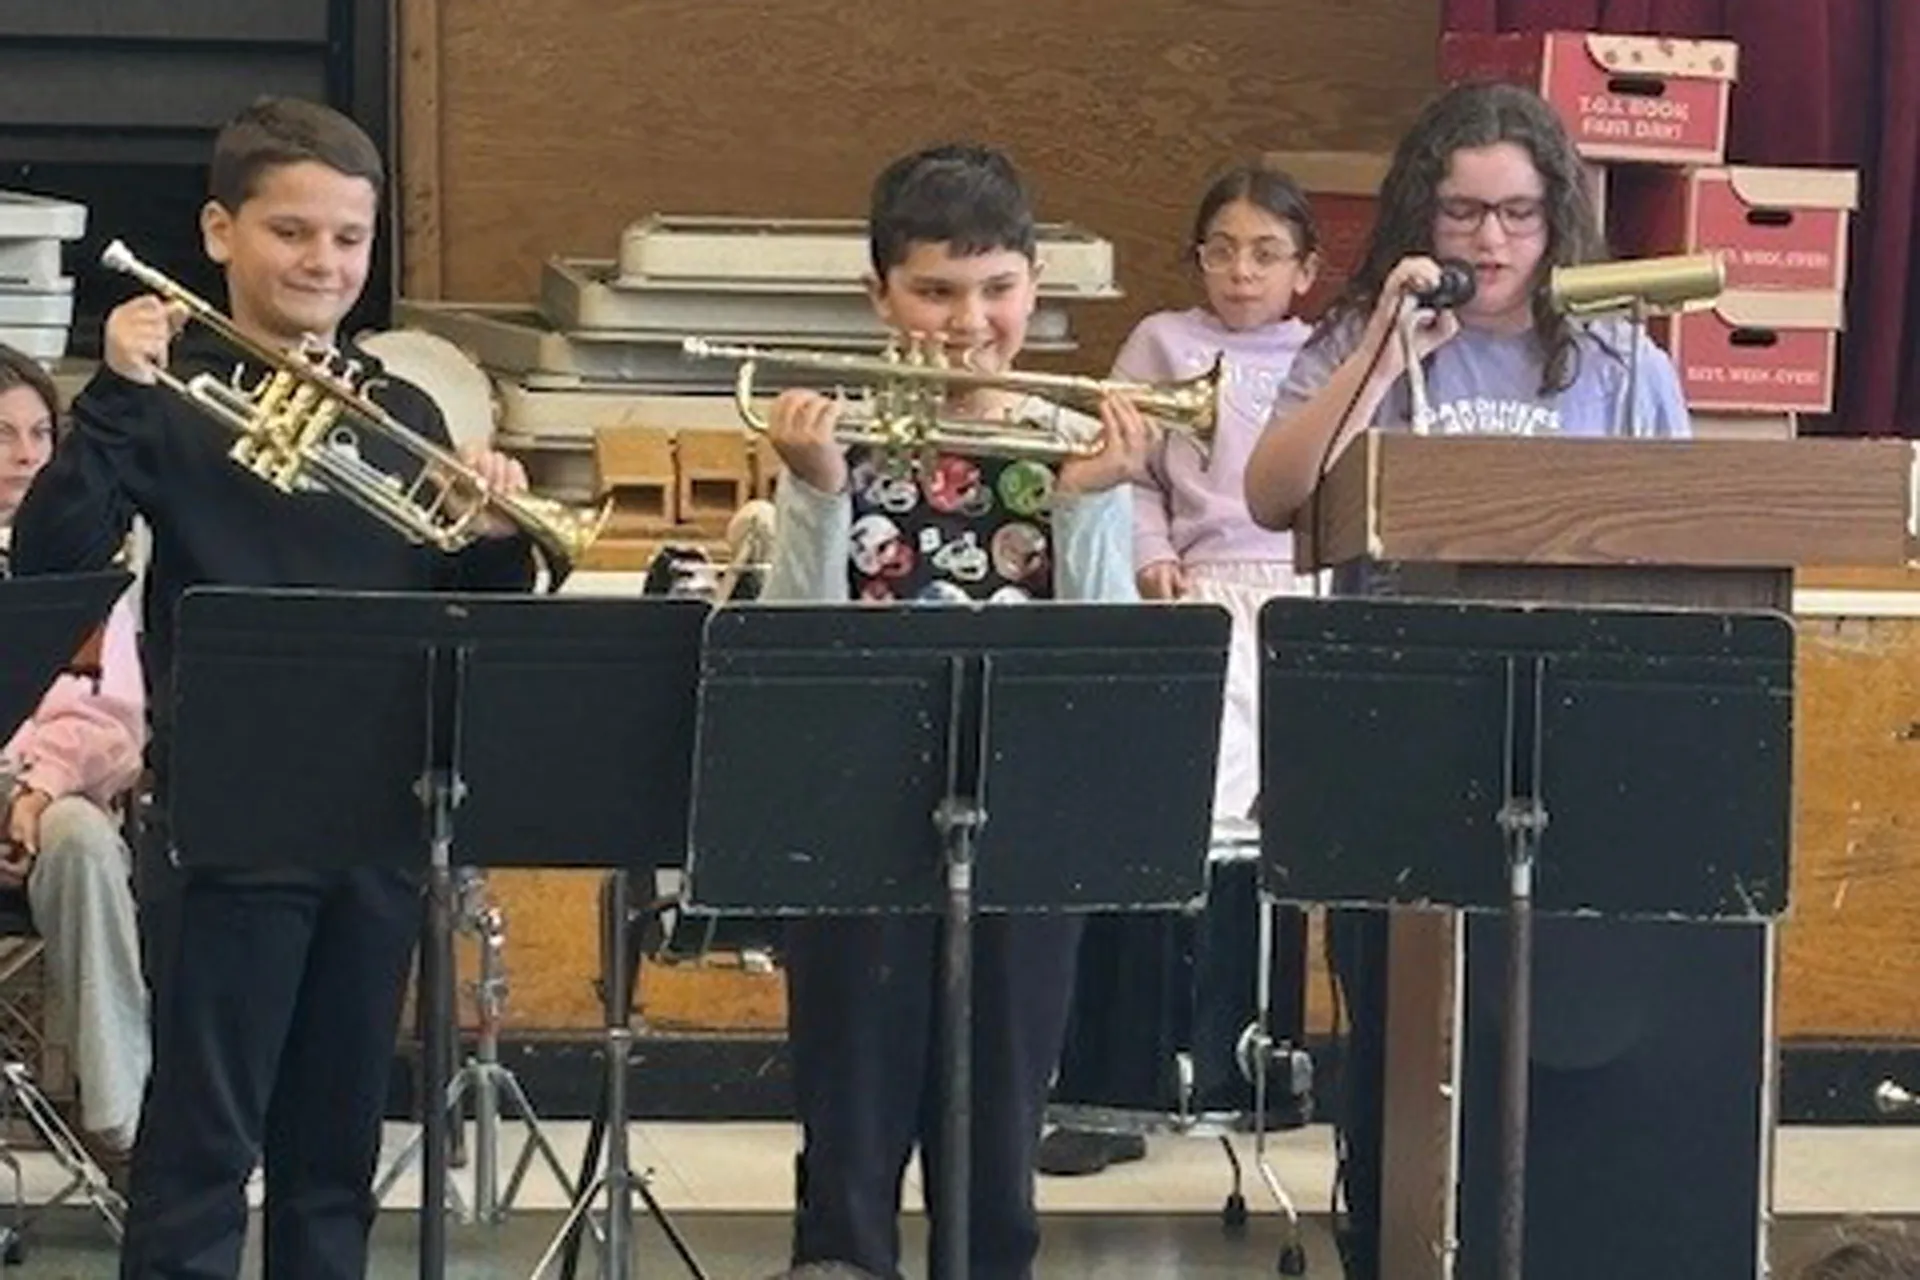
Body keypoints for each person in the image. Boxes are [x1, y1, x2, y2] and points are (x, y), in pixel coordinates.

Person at [10, 96, 537, 1280]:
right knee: (201, 1146)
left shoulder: (397, 412)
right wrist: (112, 394)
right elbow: (53, 553)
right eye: (291, 232)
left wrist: (498, 537)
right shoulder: (167, 397)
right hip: (231, 819)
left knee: (334, 1154)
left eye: (347, 239)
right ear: (217, 231)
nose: (323, 262)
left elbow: (460, 614)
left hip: (377, 818)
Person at [1240, 81, 1691, 1278]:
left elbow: (1687, 541)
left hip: (1574, 735)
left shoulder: (1620, 357)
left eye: (1518, 216)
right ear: (1419, 219)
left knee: (1561, 1031)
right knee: (1406, 1032)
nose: (1490, 242)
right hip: (1402, 733)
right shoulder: (1362, 341)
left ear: (1558, 226)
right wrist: (1384, 354)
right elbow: (1275, 493)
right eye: (1461, 213)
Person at [760, 142, 1151, 1280]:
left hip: (1026, 833)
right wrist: (816, 490)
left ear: (1033, 285)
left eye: (996, 289)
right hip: (851, 833)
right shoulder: (826, 435)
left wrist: (1085, 506)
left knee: (996, 1151)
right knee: (850, 1140)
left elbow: (1110, 670)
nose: (967, 320)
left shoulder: (1071, 442)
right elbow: (791, 650)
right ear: (878, 292)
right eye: (933, 290)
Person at [1038, 162, 1322, 1176]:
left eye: (1265, 252)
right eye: (1221, 249)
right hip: (1191, 589)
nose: (1240, 271)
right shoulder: (1160, 342)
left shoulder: (1328, 354)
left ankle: (1243, 1057)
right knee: (1173, 801)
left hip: (1300, 588)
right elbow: (1134, 468)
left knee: (1265, 820)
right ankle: (1122, 1076)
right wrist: (1152, 545)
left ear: (1305, 270)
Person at [0, 345, 149, 1187]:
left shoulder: (88, 562)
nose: (27, 454)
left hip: (49, 797)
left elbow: (111, 720)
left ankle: (121, 1120)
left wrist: (35, 788)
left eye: (39, 433)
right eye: (2, 436)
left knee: (86, 841)